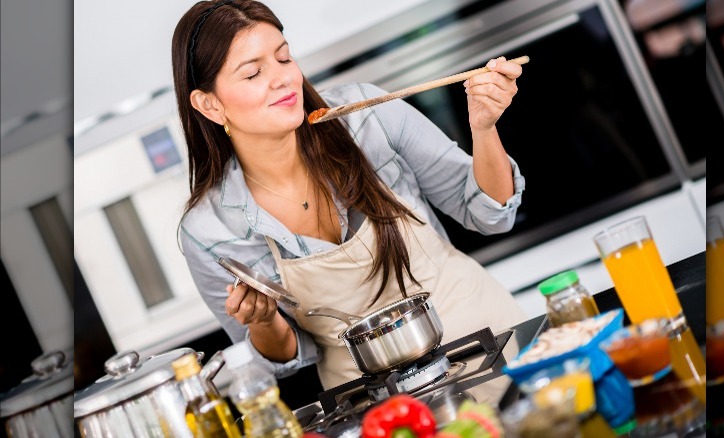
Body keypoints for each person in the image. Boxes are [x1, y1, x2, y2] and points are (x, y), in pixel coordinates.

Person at [173, 0, 529, 396]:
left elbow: (490, 215)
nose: (283, 79)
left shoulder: (368, 117)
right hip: (372, 404)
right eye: (254, 72)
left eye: (284, 58)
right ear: (209, 104)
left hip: (491, 346)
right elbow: (289, 359)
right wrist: (262, 322)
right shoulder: (208, 232)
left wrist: (484, 128)